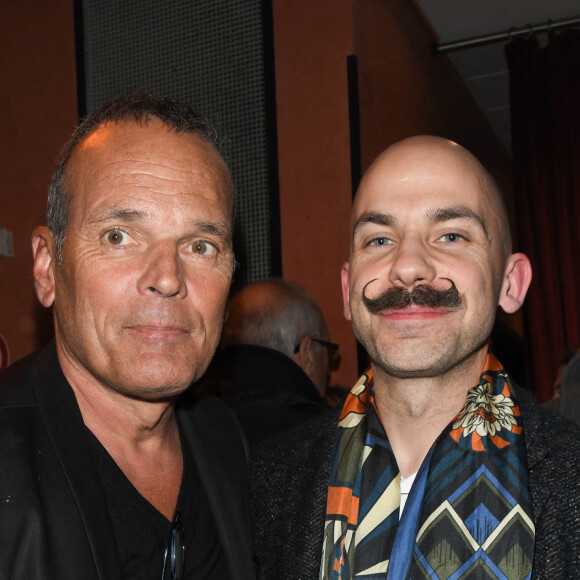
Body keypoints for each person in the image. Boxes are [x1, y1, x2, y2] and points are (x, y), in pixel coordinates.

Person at [250, 136, 580, 579]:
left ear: (511, 283)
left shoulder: (570, 476)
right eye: (380, 239)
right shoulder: (263, 483)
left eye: (450, 235)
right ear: (348, 291)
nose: (407, 266)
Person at [0, 93, 255, 579]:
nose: (167, 276)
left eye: (201, 246)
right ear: (47, 267)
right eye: (119, 236)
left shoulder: (227, 443)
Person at [198, 278, 334, 447]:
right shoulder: (328, 440)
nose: (330, 372)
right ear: (308, 355)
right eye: (328, 350)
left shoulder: (189, 426)